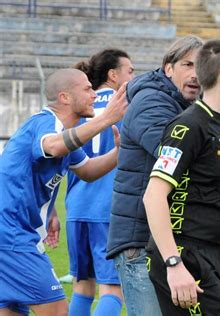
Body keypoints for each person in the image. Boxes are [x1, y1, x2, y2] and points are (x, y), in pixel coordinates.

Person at [0, 68, 128, 316]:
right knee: (58, 311)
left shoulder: (65, 134)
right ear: (65, 97)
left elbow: (88, 170)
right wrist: (106, 118)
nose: (94, 94)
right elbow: (54, 146)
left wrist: (118, 153)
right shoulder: (46, 123)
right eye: (87, 88)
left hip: (12, 234)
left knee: (12, 312)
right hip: (12, 235)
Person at [143, 39, 220, 315]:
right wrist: (173, 264)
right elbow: (153, 194)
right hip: (183, 255)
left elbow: (212, 201)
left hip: (211, 254)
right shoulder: (188, 126)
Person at [106, 35, 204, 316]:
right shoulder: (152, 101)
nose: (195, 74)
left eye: (201, 66)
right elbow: (174, 154)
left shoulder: (182, 105)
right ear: (168, 68)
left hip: (159, 239)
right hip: (139, 242)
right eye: (187, 64)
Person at [65, 49, 134, 316]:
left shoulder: (78, 108)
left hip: (76, 209)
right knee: (113, 291)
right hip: (108, 209)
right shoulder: (124, 108)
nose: (133, 77)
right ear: (112, 74)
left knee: (83, 288)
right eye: (130, 71)